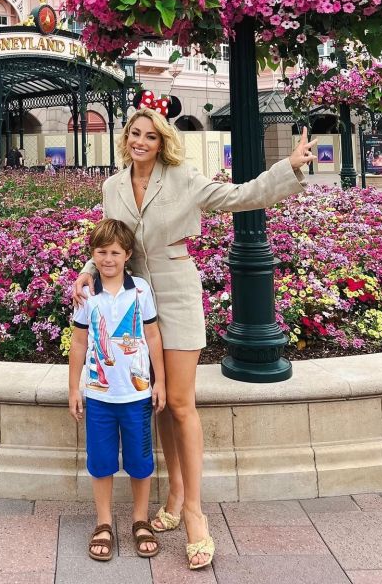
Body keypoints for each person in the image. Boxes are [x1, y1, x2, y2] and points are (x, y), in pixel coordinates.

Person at [73, 102, 315, 570]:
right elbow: (113, 240)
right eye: (135, 134)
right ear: (126, 139)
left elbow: (240, 195)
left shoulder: (183, 178)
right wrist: (87, 270)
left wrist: (288, 166)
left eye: (150, 135)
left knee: (181, 403)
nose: (141, 141)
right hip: (132, 304)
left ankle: (194, 513)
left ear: (162, 142)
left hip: (178, 297)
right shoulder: (112, 186)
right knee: (160, 403)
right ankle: (174, 493)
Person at [69, 218, 166, 562]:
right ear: (92, 255)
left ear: (127, 255)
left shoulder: (140, 290)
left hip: (137, 396)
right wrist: (74, 389)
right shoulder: (87, 295)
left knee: (140, 462)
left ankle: (140, 519)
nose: (108, 259)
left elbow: (152, 336)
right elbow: (79, 343)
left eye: (114, 252)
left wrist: (160, 382)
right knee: (101, 462)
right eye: (101, 252)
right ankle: (104, 522)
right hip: (99, 396)